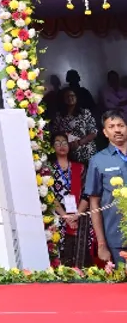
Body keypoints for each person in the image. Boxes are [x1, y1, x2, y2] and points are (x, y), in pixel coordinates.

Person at [85, 110, 127, 266]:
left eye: (121, 125)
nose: (117, 129)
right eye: (111, 126)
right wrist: (101, 244)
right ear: (105, 132)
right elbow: (94, 203)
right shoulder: (97, 161)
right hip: (117, 238)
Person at [50, 133, 93, 268]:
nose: (62, 146)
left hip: (80, 215)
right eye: (57, 142)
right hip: (58, 216)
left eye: (64, 142)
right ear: (52, 147)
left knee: (82, 254)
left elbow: (88, 192)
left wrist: (77, 214)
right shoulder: (48, 169)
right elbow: (49, 196)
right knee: (60, 252)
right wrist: (65, 216)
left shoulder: (80, 167)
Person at [52, 88, 98, 165]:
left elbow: (94, 132)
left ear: (76, 98)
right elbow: (55, 133)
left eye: (72, 95)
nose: (70, 98)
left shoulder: (85, 112)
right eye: (67, 96)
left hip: (86, 148)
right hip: (68, 151)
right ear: (63, 99)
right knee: (75, 175)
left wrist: (80, 142)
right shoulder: (59, 116)